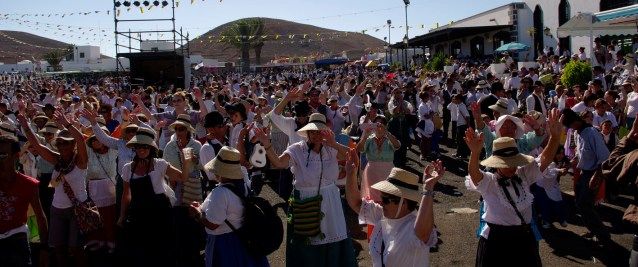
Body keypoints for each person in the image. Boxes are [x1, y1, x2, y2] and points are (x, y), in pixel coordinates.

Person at [255, 113, 357, 267]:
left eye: (320, 131)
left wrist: (333, 143)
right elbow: (279, 163)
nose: (316, 135)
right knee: (307, 240)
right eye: (313, 131)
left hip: (330, 200)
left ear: (325, 131)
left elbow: (354, 159)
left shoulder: (331, 148)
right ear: (308, 132)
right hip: (305, 201)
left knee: (332, 237)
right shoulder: (297, 149)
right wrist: (266, 144)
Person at [464, 108, 562, 266]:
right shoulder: (490, 181)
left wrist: (555, 138)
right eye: (505, 163)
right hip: (496, 242)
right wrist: (474, 153)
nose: (511, 167)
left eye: (514, 162)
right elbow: (475, 174)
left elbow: (544, 159)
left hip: (524, 238)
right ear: (496, 164)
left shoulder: (523, 173)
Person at [344, 150, 442, 267]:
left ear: (403, 202)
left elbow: (423, 233)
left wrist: (428, 189)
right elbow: (356, 203)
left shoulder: (413, 227)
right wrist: (351, 173)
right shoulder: (382, 214)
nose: (381, 203)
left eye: (385, 200)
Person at [18, 110, 89, 267]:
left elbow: (81, 141)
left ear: (73, 145)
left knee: (75, 248)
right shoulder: (56, 159)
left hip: (77, 209)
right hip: (57, 209)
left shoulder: (80, 161)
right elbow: (36, 144)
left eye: (67, 142)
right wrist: (25, 126)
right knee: (58, 248)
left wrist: (67, 124)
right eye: (60, 142)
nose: (63, 145)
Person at [118, 127, 191, 267]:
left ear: (151, 148)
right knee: (141, 254)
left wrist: (185, 159)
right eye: (139, 146)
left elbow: (183, 177)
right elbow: (126, 195)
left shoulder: (160, 165)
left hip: (160, 214)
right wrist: (122, 216)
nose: (141, 150)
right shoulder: (127, 168)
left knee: (162, 253)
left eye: (145, 146)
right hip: (138, 215)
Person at [190, 146, 269, 267]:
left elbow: (213, 224)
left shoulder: (220, 193)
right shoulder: (244, 185)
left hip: (224, 245)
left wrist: (197, 212)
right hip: (242, 240)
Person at [561, 108, 612, 245]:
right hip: (583, 172)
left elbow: (605, 157)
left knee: (585, 205)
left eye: (571, 125)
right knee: (580, 203)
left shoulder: (592, 133)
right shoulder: (578, 133)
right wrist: (569, 165)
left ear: (577, 121)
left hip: (594, 172)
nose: (570, 128)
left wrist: (597, 175)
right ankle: (593, 230)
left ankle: (603, 235)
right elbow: (579, 155)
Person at [162, 113, 205, 266]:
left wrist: (195, 159)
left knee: (193, 217)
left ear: (188, 130)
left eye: (182, 129)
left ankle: (195, 251)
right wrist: (170, 182)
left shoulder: (197, 145)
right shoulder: (170, 146)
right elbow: (165, 167)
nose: (179, 132)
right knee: (179, 219)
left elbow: (204, 167)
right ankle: (180, 253)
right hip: (176, 185)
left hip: (193, 184)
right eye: (177, 129)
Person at [0, 135, 49, 267]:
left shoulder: (29, 185)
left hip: (17, 241)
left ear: (16, 156)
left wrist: (44, 248)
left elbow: (40, 216)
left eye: (3, 155)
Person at [355, 115, 400, 202]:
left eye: (382, 124)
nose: (379, 126)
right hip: (372, 172)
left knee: (387, 198)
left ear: (386, 126)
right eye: (377, 124)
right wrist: (365, 136)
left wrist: (386, 132)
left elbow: (397, 145)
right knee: (373, 198)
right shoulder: (369, 139)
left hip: (388, 172)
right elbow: (359, 149)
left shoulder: (389, 138)